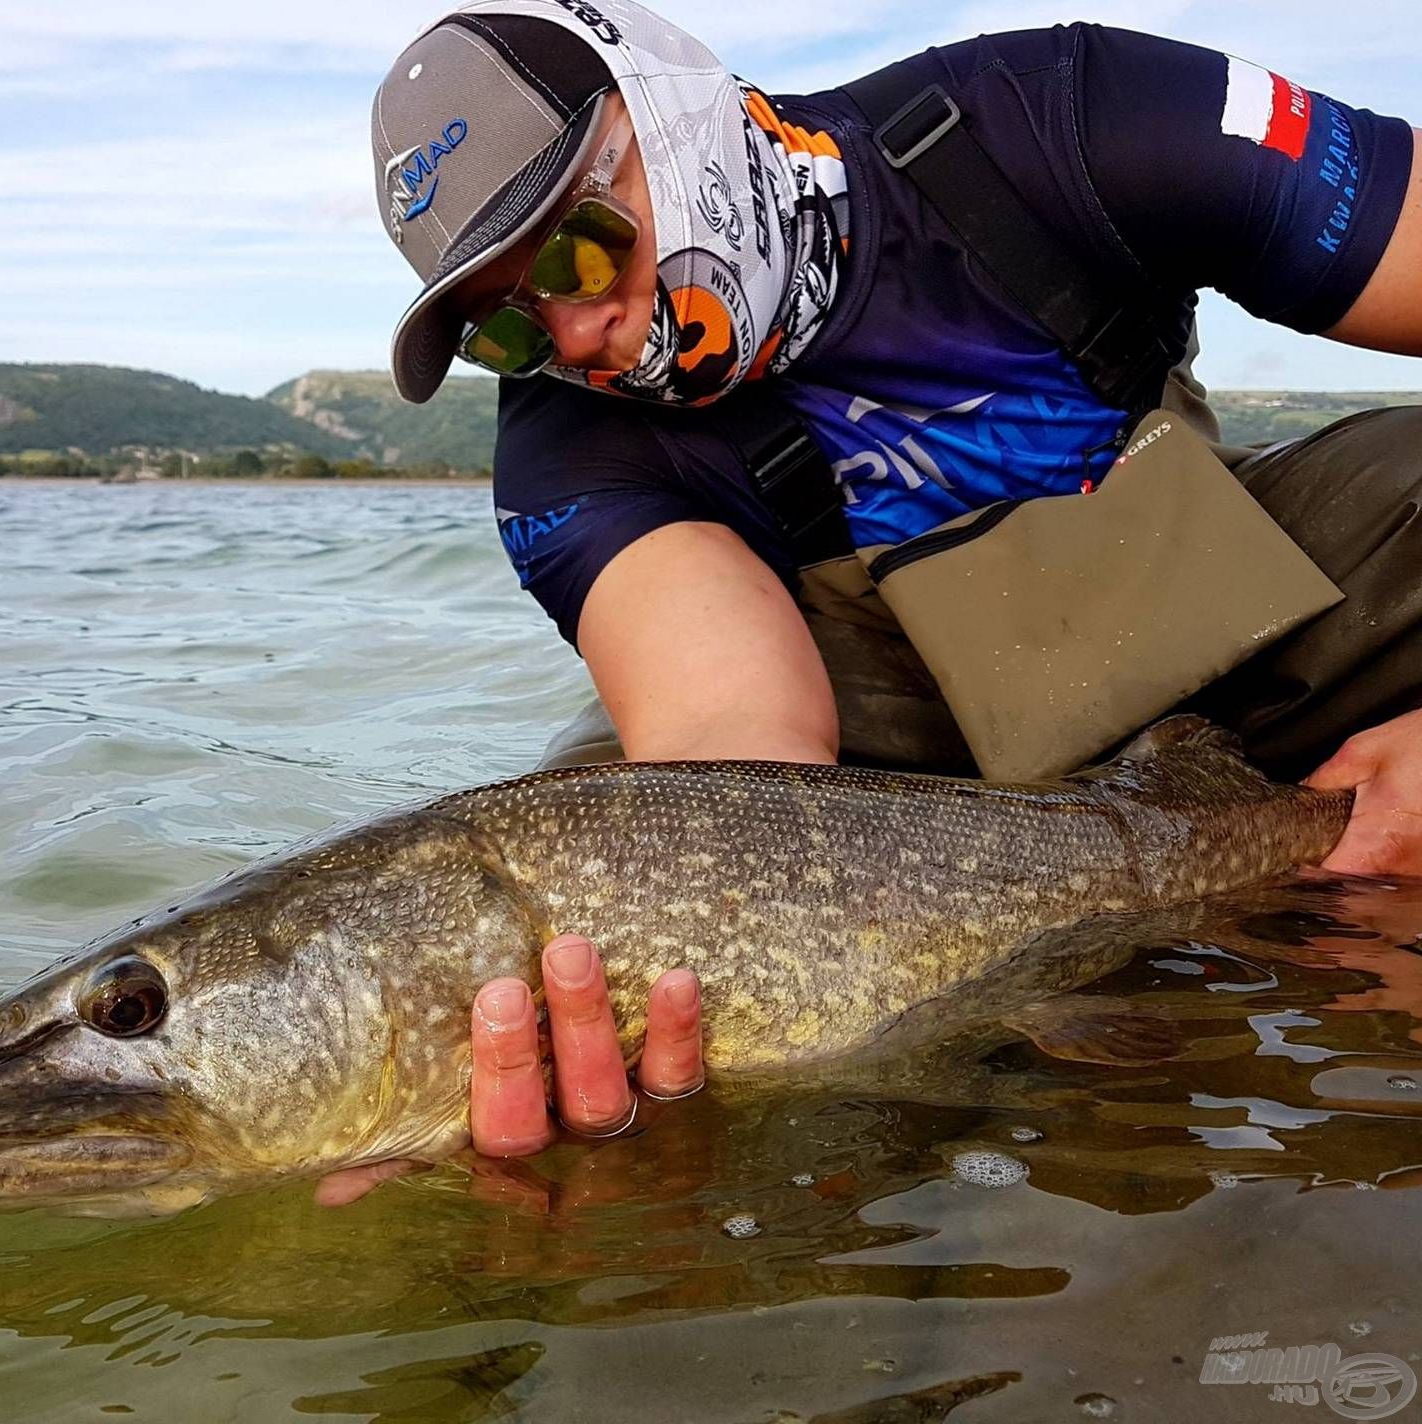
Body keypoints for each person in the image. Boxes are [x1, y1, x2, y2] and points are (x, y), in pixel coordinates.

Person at [330, 0, 1422, 1195]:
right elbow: (727, 762)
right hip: (918, 788)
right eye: (505, 325)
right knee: (603, 824)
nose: (576, 328)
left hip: (1251, 633)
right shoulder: (564, 450)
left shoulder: (1059, 116)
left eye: (575, 249)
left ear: (673, 109)